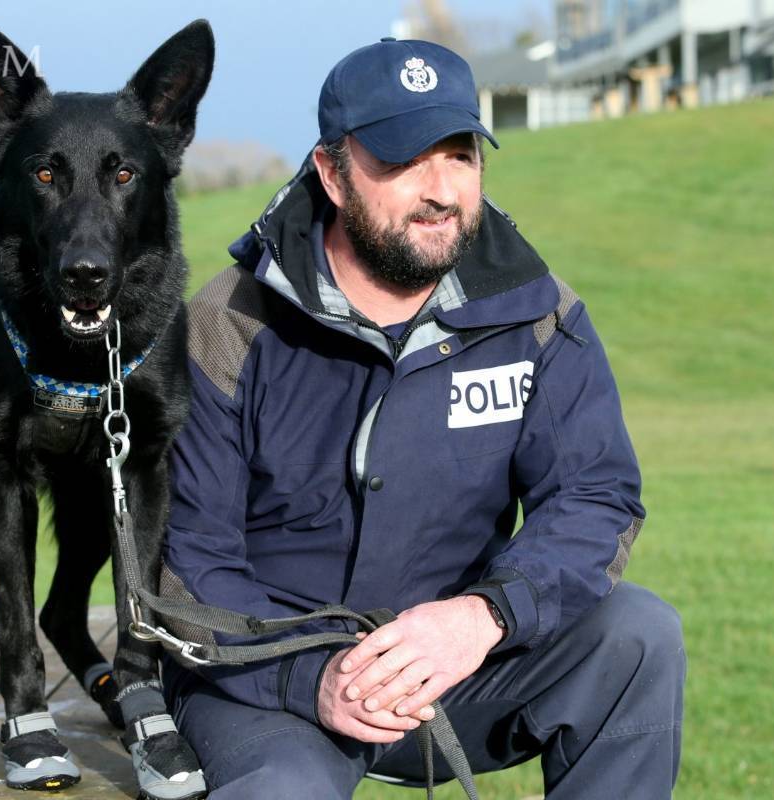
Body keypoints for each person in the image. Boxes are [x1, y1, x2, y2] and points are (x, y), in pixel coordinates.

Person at [157, 37, 685, 799]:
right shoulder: (223, 326)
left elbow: (593, 498)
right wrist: (311, 678)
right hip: (266, 686)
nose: (441, 189)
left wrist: (484, 617)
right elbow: (186, 558)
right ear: (332, 174)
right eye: (405, 161)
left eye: (460, 155)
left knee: (639, 637)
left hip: (455, 665)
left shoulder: (538, 314)